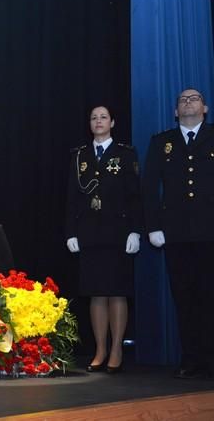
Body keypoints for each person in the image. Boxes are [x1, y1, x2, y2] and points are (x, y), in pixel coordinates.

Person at [143, 88, 214, 380]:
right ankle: (190, 358)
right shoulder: (161, 142)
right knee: (185, 297)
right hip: (176, 232)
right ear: (175, 111)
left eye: (194, 99)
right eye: (182, 100)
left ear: (205, 108)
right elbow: (149, 188)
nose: (188, 102)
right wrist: (153, 225)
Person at [65, 106, 142, 374]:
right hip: (89, 233)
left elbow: (134, 195)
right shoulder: (80, 156)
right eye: (94, 118)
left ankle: (117, 348)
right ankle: (100, 348)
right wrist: (71, 232)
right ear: (90, 124)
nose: (98, 121)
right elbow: (72, 198)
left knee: (117, 292)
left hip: (118, 232)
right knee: (96, 293)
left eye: (103, 117)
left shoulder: (125, 154)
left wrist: (135, 230)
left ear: (112, 122)